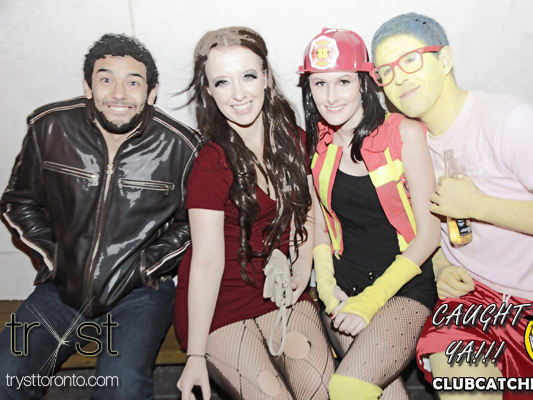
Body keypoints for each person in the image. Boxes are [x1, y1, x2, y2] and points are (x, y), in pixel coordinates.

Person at [371, 13, 533, 399]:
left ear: (445, 59)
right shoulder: (409, 144)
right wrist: (442, 268)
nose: (398, 78)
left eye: (410, 60)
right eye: (385, 71)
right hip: (472, 304)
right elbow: (429, 231)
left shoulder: (511, 121)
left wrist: (478, 205)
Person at [0, 34, 202, 399]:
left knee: (122, 388)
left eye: (133, 82)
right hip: (61, 285)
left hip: (141, 292)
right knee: (5, 375)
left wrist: (145, 267)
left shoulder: (183, 146)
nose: (119, 93)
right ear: (87, 86)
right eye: (106, 79)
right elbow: (18, 202)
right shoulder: (49, 127)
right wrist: (56, 258)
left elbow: (192, 223)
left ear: (151, 93)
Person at [174, 27, 334, 400]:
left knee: (319, 389)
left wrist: (303, 266)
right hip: (220, 299)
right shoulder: (211, 164)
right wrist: (195, 355)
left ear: (265, 77)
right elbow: (206, 263)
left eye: (247, 76)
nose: (239, 93)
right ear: (209, 91)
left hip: (277, 286)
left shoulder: (293, 140)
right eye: (222, 82)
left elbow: (309, 213)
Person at [299, 28, 440, 399]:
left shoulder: (404, 133)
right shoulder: (318, 142)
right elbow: (321, 226)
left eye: (343, 82)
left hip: (403, 287)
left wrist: (371, 301)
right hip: (344, 287)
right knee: (380, 392)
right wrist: (326, 287)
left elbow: (429, 235)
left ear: (363, 83)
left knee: (347, 387)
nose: (331, 96)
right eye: (320, 84)